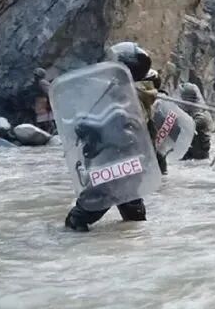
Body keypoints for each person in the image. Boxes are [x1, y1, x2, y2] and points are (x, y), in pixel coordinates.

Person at [65, 41, 156, 231]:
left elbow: (117, 133)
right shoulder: (134, 92)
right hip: (131, 166)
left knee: (77, 220)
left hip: (115, 167)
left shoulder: (127, 96)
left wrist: (90, 130)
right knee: (134, 222)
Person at [179, 82, 212, 160]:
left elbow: (189, 126)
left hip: (198, 155)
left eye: (182, 97)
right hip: (188, 152)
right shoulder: (189, 110)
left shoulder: (200, 114)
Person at [31, 68, 55, 133]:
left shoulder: (42, 82)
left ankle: (50, 131)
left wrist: (48, 103)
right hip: (41, 101)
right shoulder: (38, 82)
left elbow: (49, 92)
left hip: (43, 101)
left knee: (46, 120)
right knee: (43, 120)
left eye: (36, 75)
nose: (34, 76)